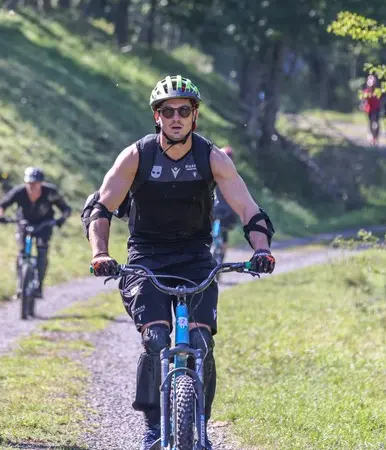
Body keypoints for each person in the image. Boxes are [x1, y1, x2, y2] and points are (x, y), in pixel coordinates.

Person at [81, 75, 276, 449]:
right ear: (157, 117)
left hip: (195, 258)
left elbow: (249, 210)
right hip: (146, 260)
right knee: (155, 340)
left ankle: (200, 429)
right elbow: (101, 207)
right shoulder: (137, 155)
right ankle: (153, 430)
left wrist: (261, 250)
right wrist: (101, 253)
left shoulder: (211, 157)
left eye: (183, 111)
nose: (175, 117)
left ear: (194, 116)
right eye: (167, 111)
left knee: (201, 342)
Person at [0, 167, 72, 299]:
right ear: (25, 183)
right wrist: (0, 216)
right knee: (22, 253)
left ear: (41, 183)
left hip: (44, 224)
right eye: (29, 183)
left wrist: (60, 220)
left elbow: (66, 208)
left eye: (35, 184)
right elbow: (1, 205)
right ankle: (20, 286)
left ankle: (39, 286)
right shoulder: (19, 192)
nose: (32, 186)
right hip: (24, 223)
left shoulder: (50, 192)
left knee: (42, 252)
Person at [212, 146, 240, 257]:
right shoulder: (233, 175)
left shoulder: (213, 172)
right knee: (223, 233)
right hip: (222, 211)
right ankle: (221, 254)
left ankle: (220, 254)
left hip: (220, 211)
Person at [362, 75, 382, 146]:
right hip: (369, 110)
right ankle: (372, 137)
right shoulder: (366, 92)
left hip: (376, 110)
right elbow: (364, 101)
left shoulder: (377, 91)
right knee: (371, 124)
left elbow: (380, 100)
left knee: (375, 124)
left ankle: (375, 137)